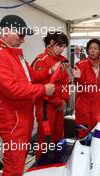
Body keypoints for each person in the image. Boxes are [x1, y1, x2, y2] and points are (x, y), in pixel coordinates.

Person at [0, 15, 55, 176]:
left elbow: (32, 77)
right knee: (14, 166)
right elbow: (12, 89)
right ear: (6, 31)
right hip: (12, 120)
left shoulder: (16, 54)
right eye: (20, 35)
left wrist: (50, 71)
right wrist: (43, 90)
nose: (23, 40)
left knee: (18, 163)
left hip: (24, 116)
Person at [31, 31, 70, 159]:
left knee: (58, 135)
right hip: (45, 106)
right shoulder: (41, 60)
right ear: (51, 43)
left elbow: (65, 81)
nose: (62, 49)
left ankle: (57, 162)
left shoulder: (63, 60)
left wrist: (64, 100)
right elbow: (40, 87)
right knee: (45, 138)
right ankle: (41, 166)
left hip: (59, 105)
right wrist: (58, 101)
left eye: (64, 46)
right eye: (60, 45)